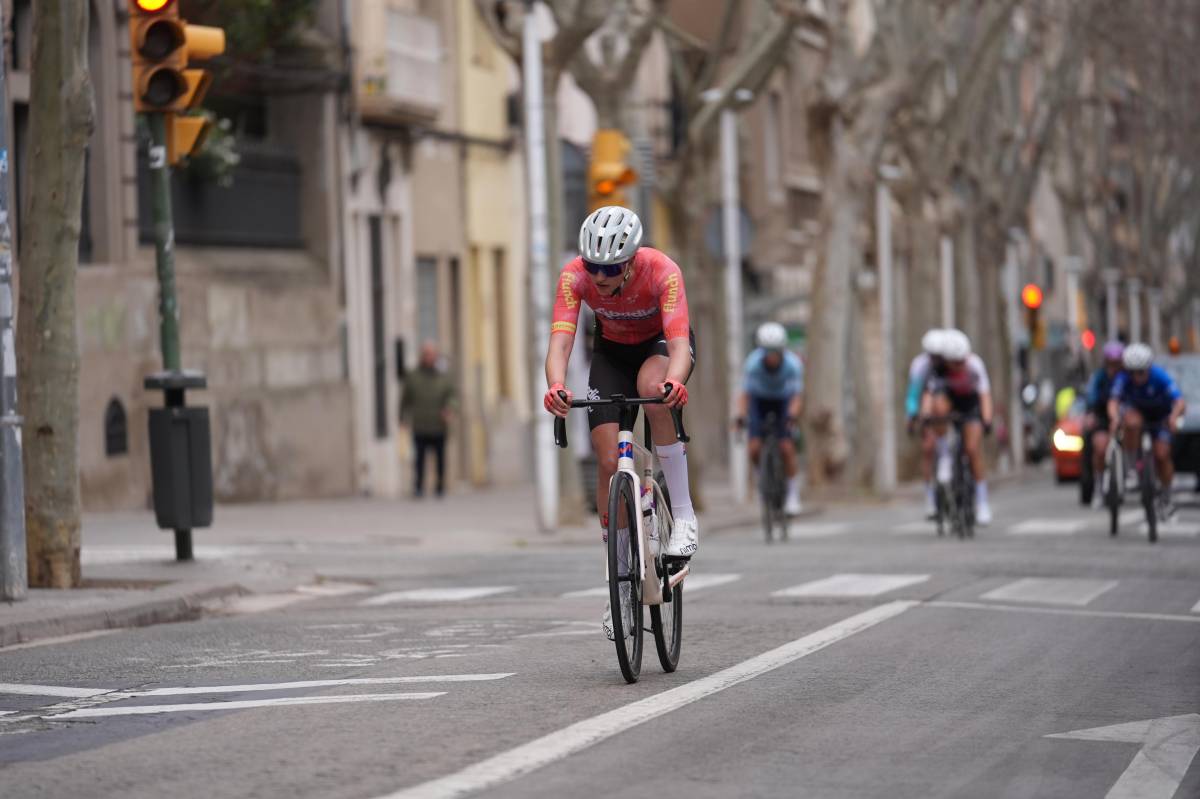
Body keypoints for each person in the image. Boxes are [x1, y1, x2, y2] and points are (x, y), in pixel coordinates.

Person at [542, 206, 697, 640]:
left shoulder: (662, 271)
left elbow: (681, 344)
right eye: (594, 266)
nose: (601, 276)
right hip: (610, 354)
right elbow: (561, 342)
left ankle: (683, 516)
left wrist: (675, 381)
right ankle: (620, 584)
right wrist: (556, 386)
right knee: (609, 461)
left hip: (660, 346)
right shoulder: (574, 277)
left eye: (609, 267)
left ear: (630, 260)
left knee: (653, 388)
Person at [920, 329, 995, 525]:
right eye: (955, 362)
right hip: (949, 402)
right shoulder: (938, 370)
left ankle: (982, 501)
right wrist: (926, 415)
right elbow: (929, 395)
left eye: (962, 360)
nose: (959, 365)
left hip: (971, 405)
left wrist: (987, 420)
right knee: (938, 408)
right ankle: (945, 454)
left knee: (972, 449)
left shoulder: (975, 366)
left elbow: (984, 395)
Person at [1107, 343, 1186, 518]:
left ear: (1148, 368)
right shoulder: (1123, 378)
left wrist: (1173, 418)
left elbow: (1179, 402)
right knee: (1131, 423)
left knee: (1162, 454)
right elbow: (1113, 402)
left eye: (1141, 372)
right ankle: (1132, 470)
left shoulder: (1160, 376)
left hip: (1159, 419)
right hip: (1137, 416)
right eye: (1132, 372)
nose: (1137, 377)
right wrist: (1114, 418)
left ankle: (1166, 493)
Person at [735, 322, 804, 514]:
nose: (771, 356)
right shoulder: (752, 364)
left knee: (786, 447)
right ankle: (762, 480)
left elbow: (797, 397)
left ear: (782, 350)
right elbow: (744, 394)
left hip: (783, 401)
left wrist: (792, 415)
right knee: (754, 448)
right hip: (760, 401)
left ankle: (792, 494)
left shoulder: (793, 365)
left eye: (775, 351)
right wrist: (740, 416)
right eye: (767, 351)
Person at [400, 341, 456, 498]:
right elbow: (405, 400)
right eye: (426, 354)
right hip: (420, 425)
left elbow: (453, 396)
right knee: (419, 460)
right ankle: (418, 487)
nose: (429, 357)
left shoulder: (444, 377)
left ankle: (440, 486)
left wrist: (450, 408)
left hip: (439, 425)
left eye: (432, 354)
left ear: (436, 356)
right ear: (422, 356)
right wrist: (402, 419)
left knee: (440, 459)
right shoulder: (413, 376)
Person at [907, 329, 948, 518]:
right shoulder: (920, 366)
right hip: (928, 406)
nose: (936, 360)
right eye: (933, 356)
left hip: (949, 403)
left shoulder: (951, 362)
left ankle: (948, 455)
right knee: (927, 450)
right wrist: (911, 416)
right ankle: (930, 497)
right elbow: (914, 393)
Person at [1084, 341, 1124, 508]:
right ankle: (1099, 486)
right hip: (1103, 418)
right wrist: (1091, 414)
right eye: (1110, 362)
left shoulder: (1128, 377)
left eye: (1116, 363)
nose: (1113, 367)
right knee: (1100, 447)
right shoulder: (1098, 378)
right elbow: (1091, 398)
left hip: (1124, 418)